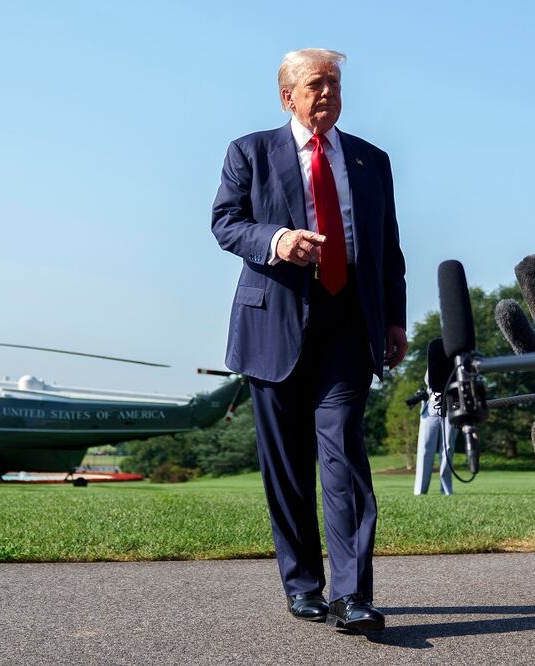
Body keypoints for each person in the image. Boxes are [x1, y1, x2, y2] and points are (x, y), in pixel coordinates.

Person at [211, 48, 407, 633]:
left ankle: (351, 596)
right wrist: (277, 240)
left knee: (344, 455)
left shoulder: (371, 160)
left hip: (348, 324)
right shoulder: (249, 152)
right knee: (288, 467)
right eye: (316, 84)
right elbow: (226, 222)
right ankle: (303, 586)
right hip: (272, 323)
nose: (327, 93)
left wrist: (394, 320)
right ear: (287, 97)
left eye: (334, 84)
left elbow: (388, 247)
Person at [413, 372, 456, 496]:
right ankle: (420, 490)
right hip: (432, 402)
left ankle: (446, 490)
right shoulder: (432, 359)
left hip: (453, 402)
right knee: (425, 447)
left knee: (448, 447)